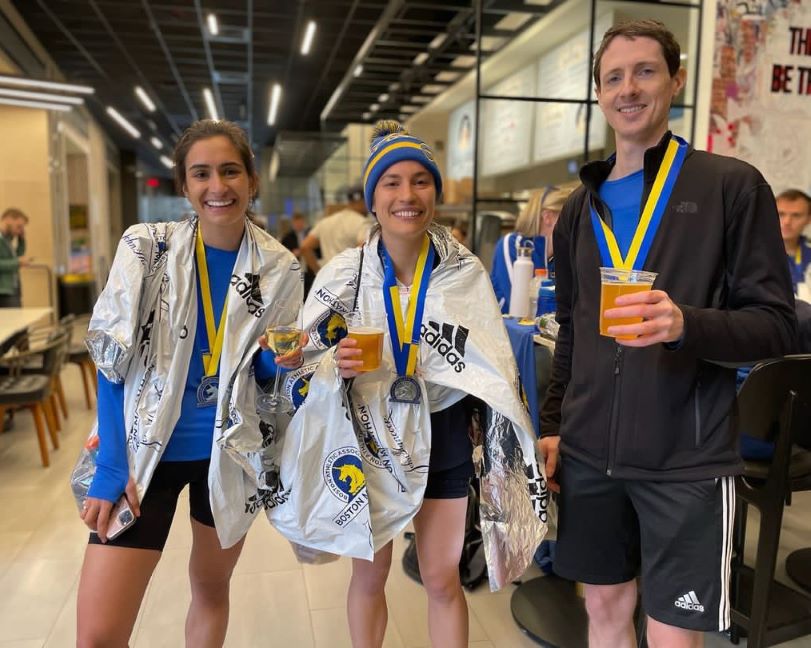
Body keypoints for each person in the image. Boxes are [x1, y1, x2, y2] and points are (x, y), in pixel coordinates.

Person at [539, 20, 796, 648]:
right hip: (589, 451)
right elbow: (571, 329)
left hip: (686, 456)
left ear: (676, 81)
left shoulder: (730, 186)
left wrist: (687, 324)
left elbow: (776, 325)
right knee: (603, 609)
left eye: (645, 72)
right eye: (613, 77)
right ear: (600, 94)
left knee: (673, 636)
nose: (628, 89)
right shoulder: (579, 207)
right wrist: (554, 425)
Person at [276, 120, 546, 648]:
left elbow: (494, 365)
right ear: (373, 198)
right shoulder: (344, 274)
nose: (407, 195)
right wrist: (334, 364)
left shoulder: (463, 271)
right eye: (392, 182)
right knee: (369, 575)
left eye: (421, 181)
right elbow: (302, 364)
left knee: (442, 578)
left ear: (435, 194)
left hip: (443, 433)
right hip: (367, 438)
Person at [76, 119, 304, 647]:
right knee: (98, 635)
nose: (217, 186)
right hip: (142, 456)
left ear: (252, 179)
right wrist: (111, 464)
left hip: (227, 454)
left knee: (210, 588)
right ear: (184, 184)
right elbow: (111, 360)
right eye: (201, 173)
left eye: (230, 171)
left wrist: (277, 364)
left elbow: (265, 378)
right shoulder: (146, 248)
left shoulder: (280, 267)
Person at [490, 185, 574, 313]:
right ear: (548, 217)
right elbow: (521, 308)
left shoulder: (561, 257)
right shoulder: (514, 245)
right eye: (570, 218)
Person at [299, 186, 370, 274]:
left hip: (327, 277)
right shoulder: (363, 223)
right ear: (362, 201)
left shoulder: (326, 222)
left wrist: (319, 272)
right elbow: (364, 250)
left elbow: (304, 247)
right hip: (350, 278)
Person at [776, 188, 811, 299]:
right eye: (780, 214)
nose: (787, 222)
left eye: (796, 215)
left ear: (809, 219)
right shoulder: (752, 253)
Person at [0, 207, 30, 307]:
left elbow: (17, 256)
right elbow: (14, 261)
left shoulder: (7, 238)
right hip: (3, 290)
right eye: (19, 226)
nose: (20, 230)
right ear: (8, 220)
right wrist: (17, 262)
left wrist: (21, 240)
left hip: (13, 287)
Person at [281, 211, 315, 296]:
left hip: (310, 268)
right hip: (295, 270)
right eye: (296, 223)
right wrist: (293, 254)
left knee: (311, 292)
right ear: (293, 223)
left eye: (300, 223)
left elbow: (318, 251)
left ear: (303, 222)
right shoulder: (287, 238)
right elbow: (283, 255)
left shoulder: (310, 235)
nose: (299, 225)